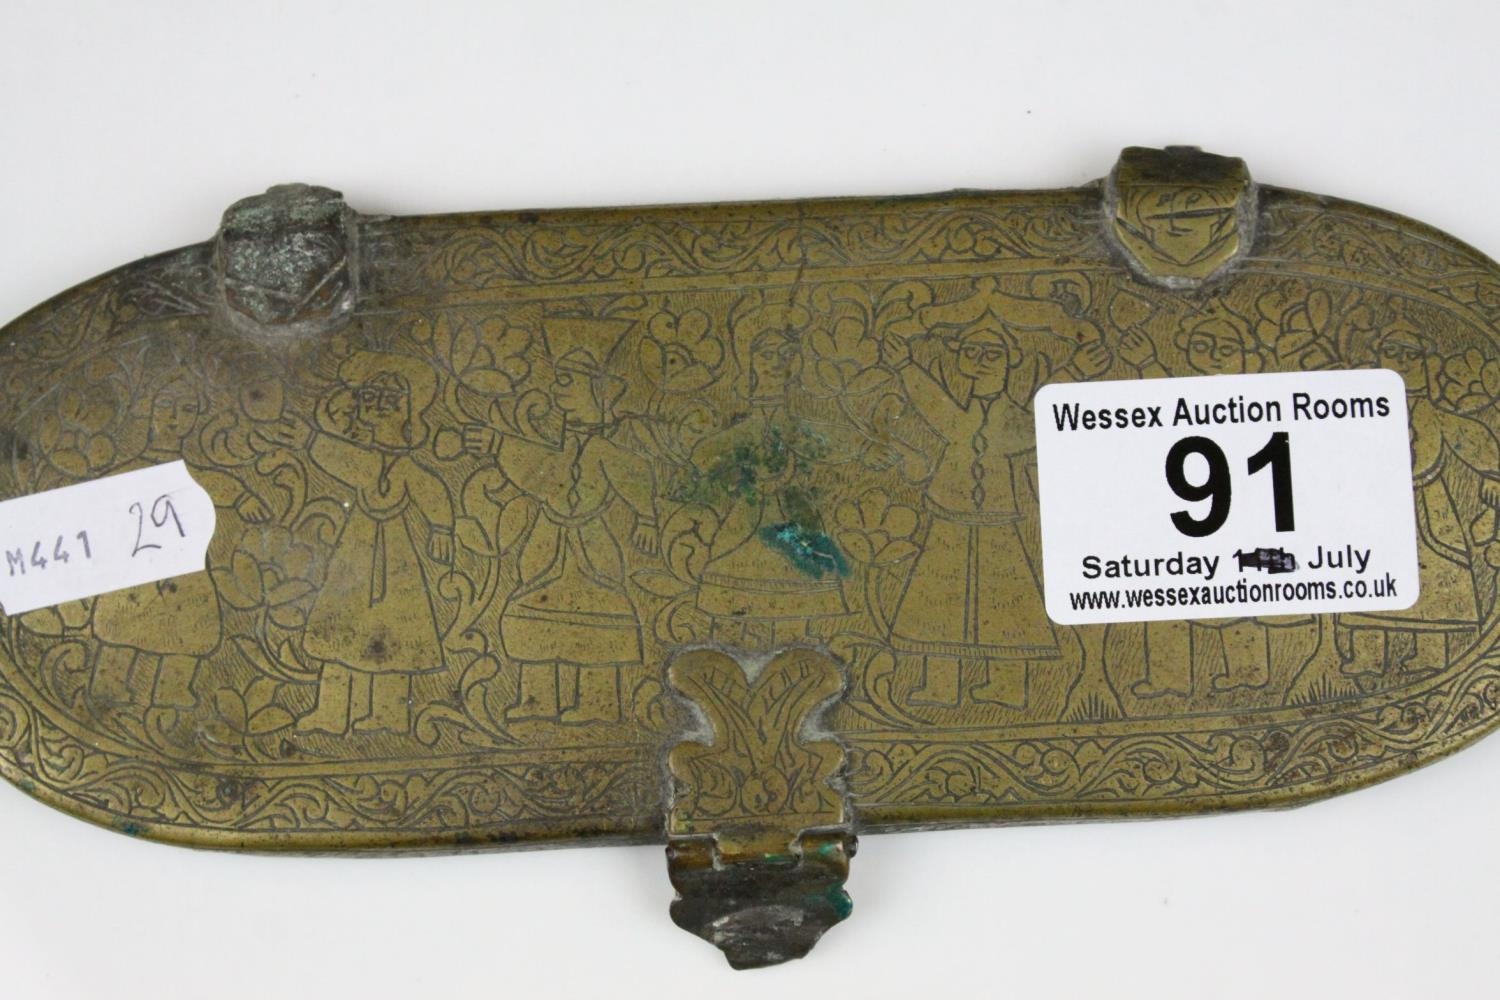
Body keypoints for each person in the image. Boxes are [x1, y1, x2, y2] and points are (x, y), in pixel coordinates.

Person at [465, 318, 658, 725]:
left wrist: (647, 518)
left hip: (590, 549)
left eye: (568, 381)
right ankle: (537, 699)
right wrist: (498, 445)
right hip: (549, 547)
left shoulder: (601, 447)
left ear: (597, 390)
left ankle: (599, 704)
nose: (557, 390)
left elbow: (634, 474)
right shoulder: (566, 446)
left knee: (599, 620)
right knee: (530, 614)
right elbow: (543, 469)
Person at [885, 288, 1060, 709]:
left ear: (1009, 362)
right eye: (972, 352)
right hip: (951, 514)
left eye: (992, 354)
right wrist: (907, 367)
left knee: (1008, 599)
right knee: (938, 597)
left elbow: (1039, 424)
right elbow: (940, 414)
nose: (981, 362)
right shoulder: (961, 415)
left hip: (998, 520)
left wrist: (1075, 373)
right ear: (959, 359)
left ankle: (1008, 686)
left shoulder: (1010, 417)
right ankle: (940, 685)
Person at [270, 352, 455, 735]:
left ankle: (390, 716)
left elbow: (431, 490)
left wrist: (442, 529)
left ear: (408, 411)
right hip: (354, 560)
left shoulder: (401, 465)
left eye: (389, 400)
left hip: (396, 567)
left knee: (395, 634)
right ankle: (332, 712)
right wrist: (312, 440)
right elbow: (349, 463)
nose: (376, 407)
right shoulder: (366, 459)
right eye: (370, 397)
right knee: (340, 629)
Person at [90, 374, 275, 707]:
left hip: (185, 566)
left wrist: (243, 497)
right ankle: (109, 686)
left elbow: (211, 481)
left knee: (190, 629)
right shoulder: (132, 469)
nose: (176, 417)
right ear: (151, 411)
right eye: (167, 406)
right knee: (122, 626)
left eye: (188, 409)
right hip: (137, 564)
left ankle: (172, 690)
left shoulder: (192, 472)